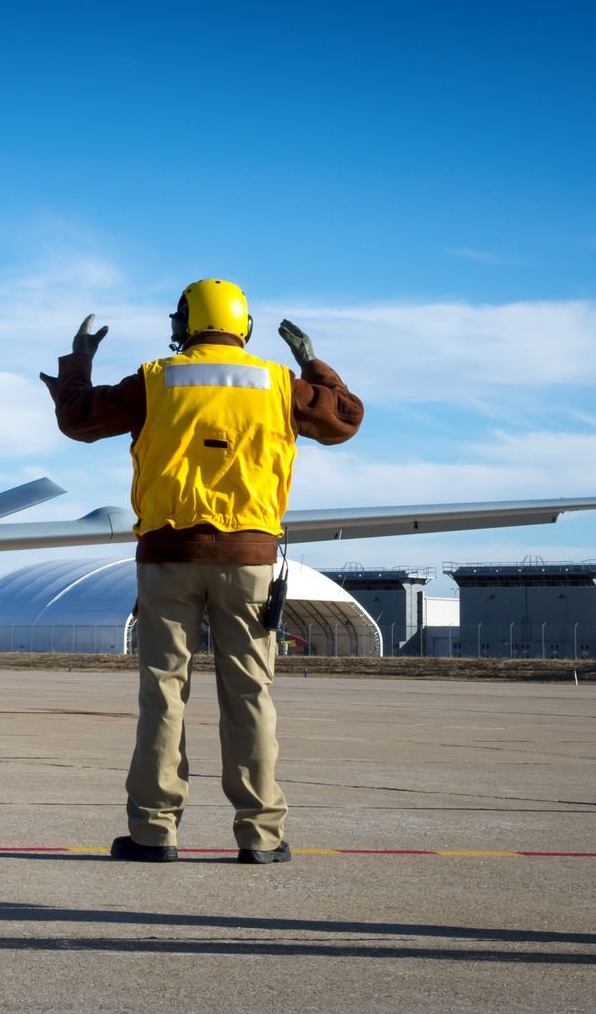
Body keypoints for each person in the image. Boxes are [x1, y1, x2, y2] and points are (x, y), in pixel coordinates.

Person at [41, 279, 362, 864]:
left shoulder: (156, 379)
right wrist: (312, 360)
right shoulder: (277, 384)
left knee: (163, 692)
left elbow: (79, 420)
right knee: (250, 695)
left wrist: (79, 361)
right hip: (248, 559)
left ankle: (153, 833)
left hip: (168, 556)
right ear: (244, 327)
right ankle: (261, 835)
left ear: (184, 323)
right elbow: (345, 419)